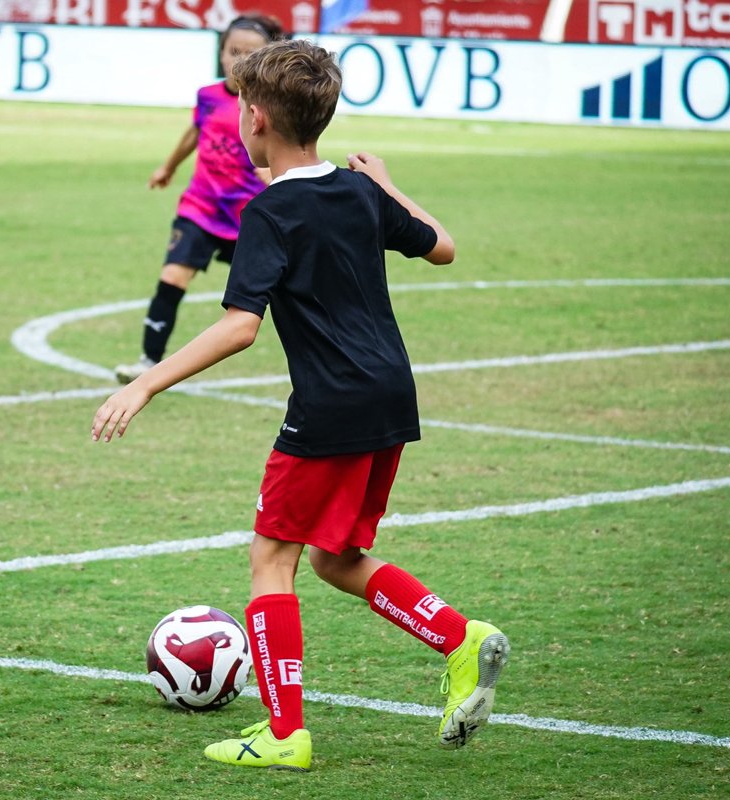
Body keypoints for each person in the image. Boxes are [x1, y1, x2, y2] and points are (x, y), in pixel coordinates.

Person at [92, 39, 509, 771]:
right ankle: (460, 639)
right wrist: (389, 185)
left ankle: (285, 734)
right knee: (335, 557)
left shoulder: (269, 213)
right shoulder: (360, 192)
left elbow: (240, 326)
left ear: (255, 119)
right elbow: (442, 246)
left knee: (272, 557)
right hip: (389, 396)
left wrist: (146, 381)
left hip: (330, 403)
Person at [113, 14, 285, 384]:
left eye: (250, 53)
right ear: (220, 52)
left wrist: (276, 179)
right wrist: (168, 166)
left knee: (281, 292)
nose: (239, 60)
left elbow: (280, 151)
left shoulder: (268, 104)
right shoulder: (207, 96)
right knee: (172, 277)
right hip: (201, 208)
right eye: (233, 51)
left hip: (248, 216)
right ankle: (148, 360)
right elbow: (195, 131)